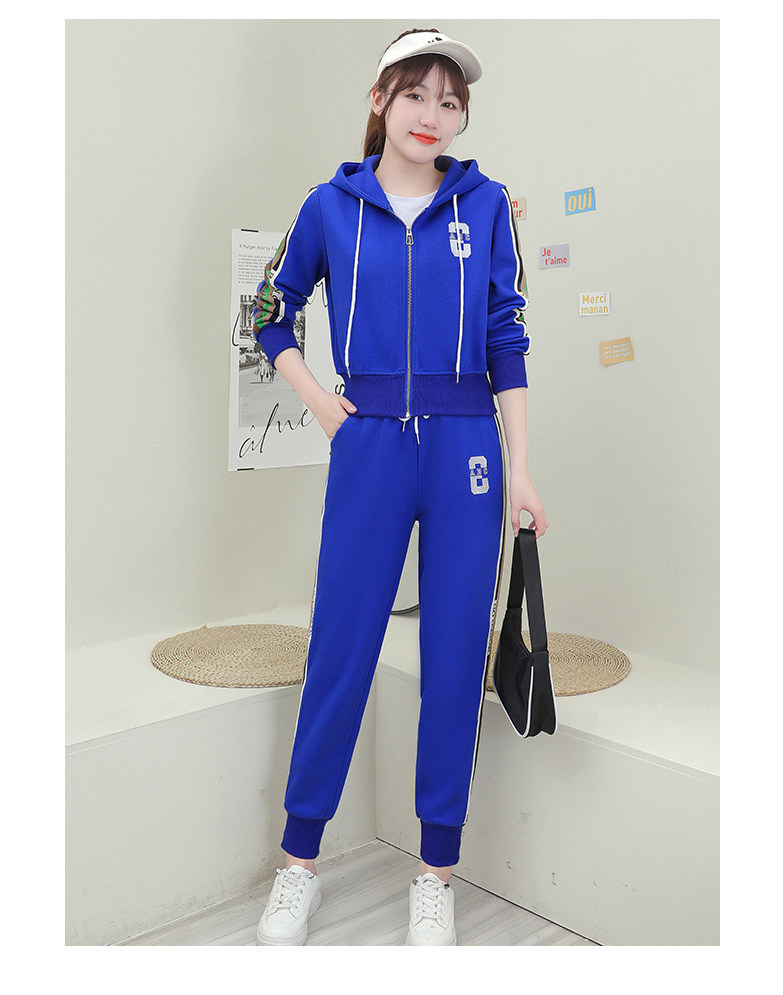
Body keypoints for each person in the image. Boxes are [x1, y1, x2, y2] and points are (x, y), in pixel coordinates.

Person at [253, 27, 548, 947]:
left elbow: (507, 336)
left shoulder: (487, 205)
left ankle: (435, 873)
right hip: (370, 441)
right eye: (416, 94)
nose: (433, 115)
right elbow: (268, 311)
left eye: (450, 101)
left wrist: (521, 467)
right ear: (381, 99)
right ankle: (298, 862)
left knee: (454, 657)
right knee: (341, 646)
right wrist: (324, 404)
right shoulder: (328, 206)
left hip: (467, 449)